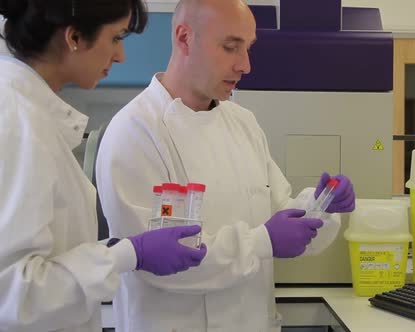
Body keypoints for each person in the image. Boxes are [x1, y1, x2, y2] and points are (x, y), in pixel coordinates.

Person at [95, 0, 356, 331]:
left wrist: (322, 206)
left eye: (248, 48)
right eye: (231, 47)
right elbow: (158, 264)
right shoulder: (134, 131)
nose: (245, 65)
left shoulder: (242, 123)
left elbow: (281, 214)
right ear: (184, 37)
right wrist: (262, 242)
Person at [0, 1, 208, 331]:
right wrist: (127, 254)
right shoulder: (16, 122)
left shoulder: (26, 114)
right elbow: (13, 292)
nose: (120, 55)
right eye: (115, 38)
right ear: (75, 38)